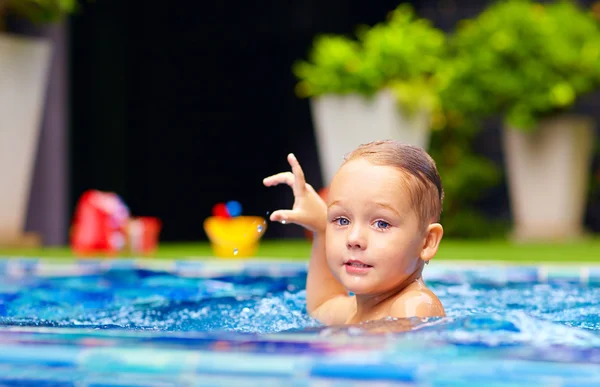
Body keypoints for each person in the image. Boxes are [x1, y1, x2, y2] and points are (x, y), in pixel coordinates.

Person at [263, 140, 446, 325]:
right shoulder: (357, 309)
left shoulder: (414, 306)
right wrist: (321, 229)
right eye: (342, 220)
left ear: (427, 242)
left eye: (381, 224)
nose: (354, 238)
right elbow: (321, 306)